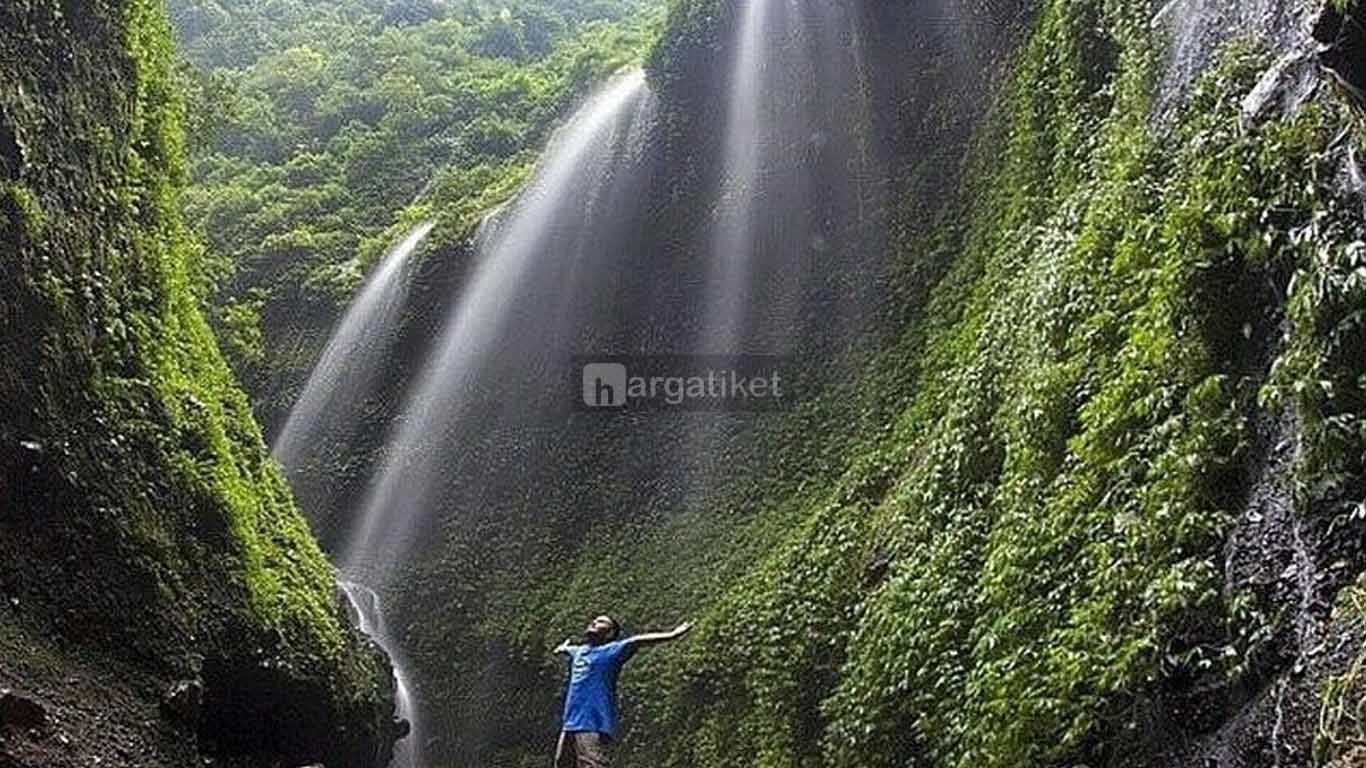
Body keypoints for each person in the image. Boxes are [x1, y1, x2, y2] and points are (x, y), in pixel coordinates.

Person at [552, 614, 691, 768]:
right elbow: (569, 650)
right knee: (562, 763)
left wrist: (672, 635)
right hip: (570, 723)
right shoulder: (580, 651)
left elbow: (638, 640)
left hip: (592, 723)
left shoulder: (612, 651)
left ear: (610, 633)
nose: (594, 622)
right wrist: (563, 648)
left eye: (601, 622)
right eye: (594, 620)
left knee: (592, 763)